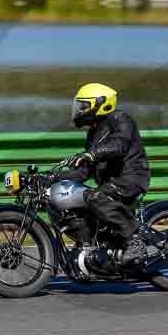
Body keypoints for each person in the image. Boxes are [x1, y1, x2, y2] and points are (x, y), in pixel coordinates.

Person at [58, 83, 151, 265]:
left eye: (84, 106)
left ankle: (135, 241)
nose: (79, 110)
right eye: (79, 106)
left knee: (94, 197)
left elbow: (119, 145)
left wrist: (93, 154)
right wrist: (54, 179)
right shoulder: (93, 133)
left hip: (130, 179)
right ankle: (88, 246)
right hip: (110, 184)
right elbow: (83, 172)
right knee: (78, 201)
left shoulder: (121, 119)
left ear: (102, 104)